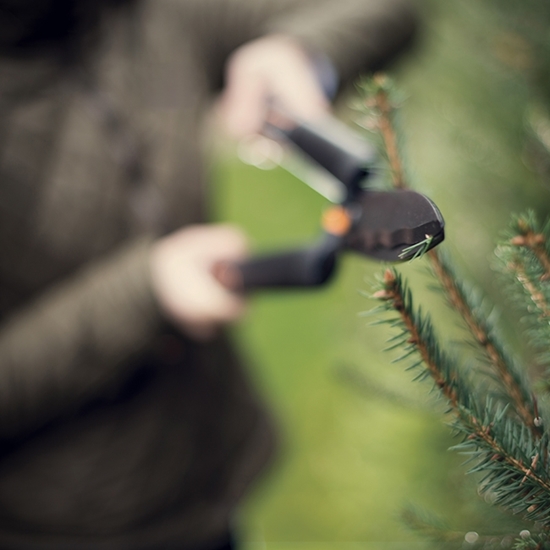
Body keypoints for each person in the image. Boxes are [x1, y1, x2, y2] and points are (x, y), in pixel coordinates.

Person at [0, 0, 417, 548]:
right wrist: (145, 292)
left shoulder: (142, 17)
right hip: (70, 527)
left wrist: (298, 54)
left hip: (212, 475)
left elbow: (384, 8)